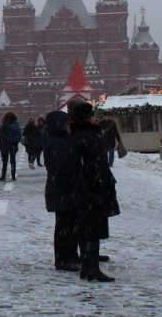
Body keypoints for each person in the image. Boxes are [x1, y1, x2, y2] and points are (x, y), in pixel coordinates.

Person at [67, 99, 119, 282]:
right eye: (92, 115)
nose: (95, 118)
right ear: (86, 117)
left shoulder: (74, 135)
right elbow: (99, 163)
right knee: (93, 229)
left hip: (80, 188)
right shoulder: (91, 136)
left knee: (84, 228)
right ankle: (92, 269)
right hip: (93, 187)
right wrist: (106, 182)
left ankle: (87, 267)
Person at [43, 110, 80, 272]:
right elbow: (60, 167)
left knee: (68, 224)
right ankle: (62, 259)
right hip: (61, 189)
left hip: (61, 188)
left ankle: (70, 255)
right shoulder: (57, 142)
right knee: (64, 226)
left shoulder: (58, 139)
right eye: (65, 122)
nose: (68, 125)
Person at [0, 111, 21, 181]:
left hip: (5, 145)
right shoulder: (16, 124)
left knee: (5, 161)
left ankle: (3, 175)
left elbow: (0, 135)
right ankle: (13, 175)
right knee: (13, 160)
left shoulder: (4, 124)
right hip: (14, 144)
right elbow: (19, 135)